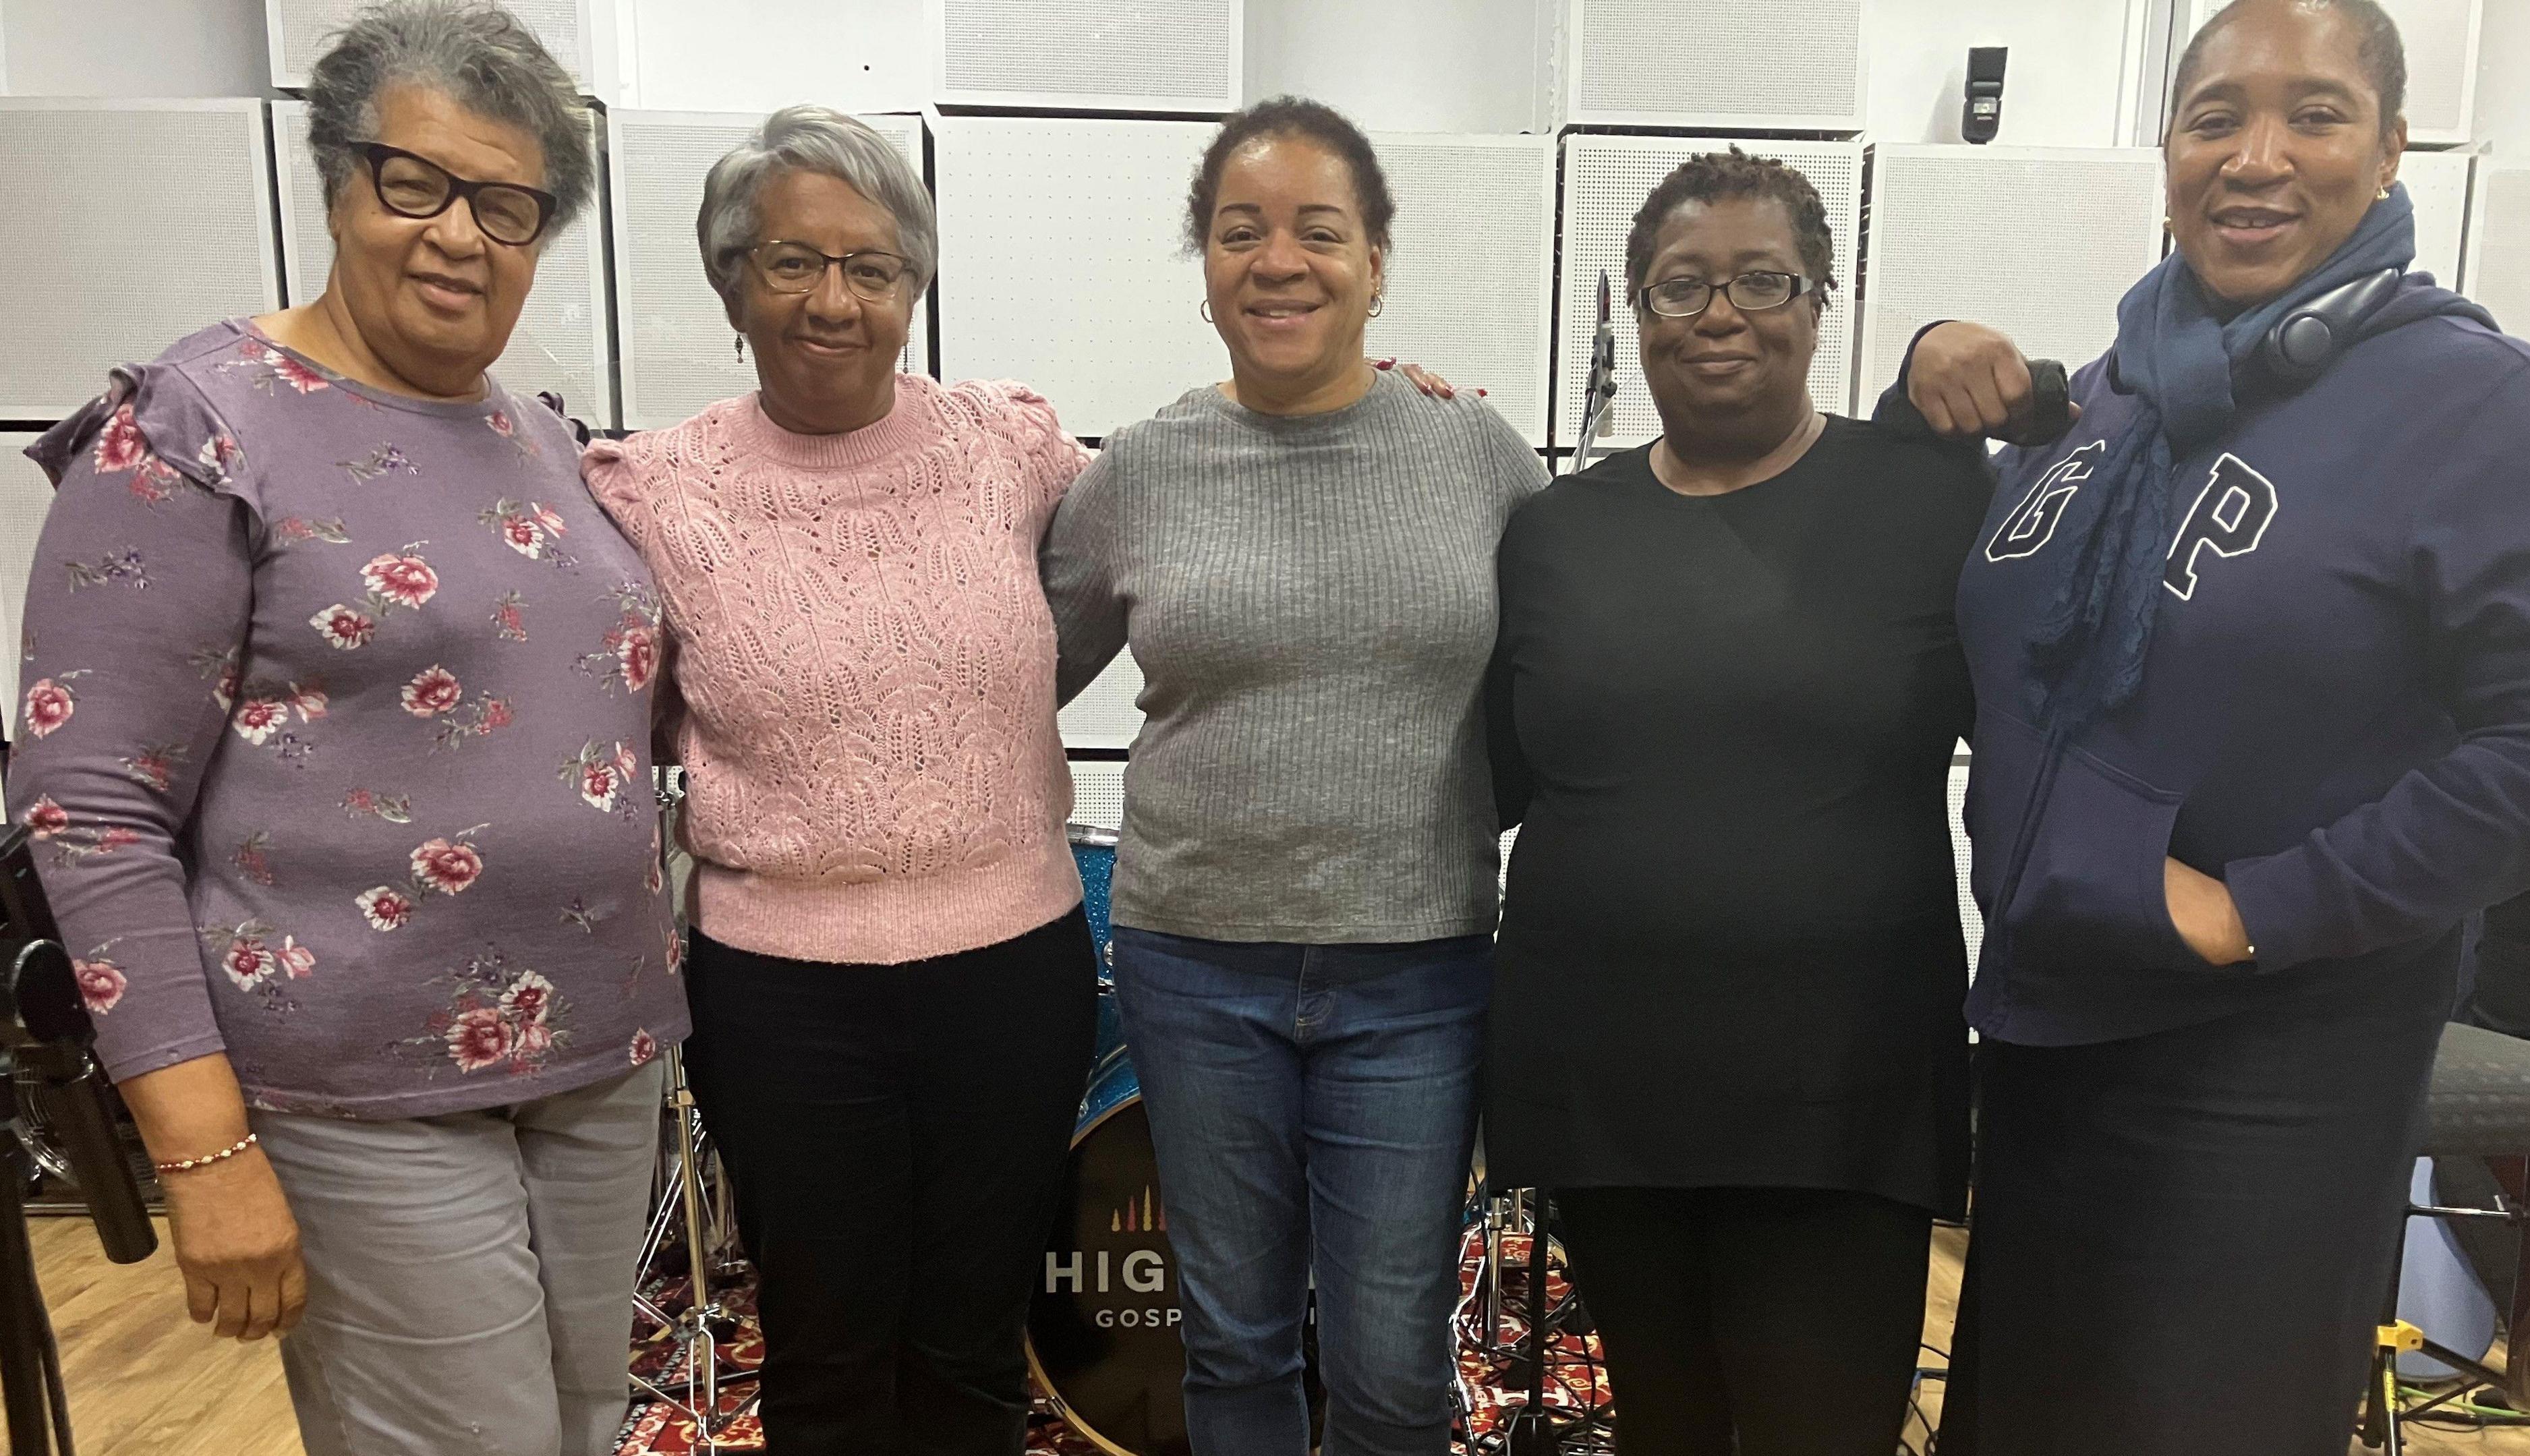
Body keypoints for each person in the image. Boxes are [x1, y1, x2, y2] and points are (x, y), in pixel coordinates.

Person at [1881, 2, 2530, 1450]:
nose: (2256, 156)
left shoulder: (2485, 408)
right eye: (2216, 117)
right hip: (2050, 1036)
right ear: (2168, 151)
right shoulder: (2118, 396)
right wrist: (1923, 379)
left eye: (2315, 114)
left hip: (2271, 1072)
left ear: (2390, 150)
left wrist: (2262, 907)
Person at [5, 4, 686, 1453]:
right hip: (357, 1087)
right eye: (414, 181)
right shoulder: (193, 434)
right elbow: (90, 815)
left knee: (579, 1424)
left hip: (598, 1060)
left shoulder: (545, 438)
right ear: (335, 181)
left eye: (506, 205)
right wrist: (204, 1152)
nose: (459, 236)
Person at [579, 106, 1096, 1455]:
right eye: (792, 261)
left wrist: (1373, 394)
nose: (833, 299)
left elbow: (1182, 519)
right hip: (781, 996)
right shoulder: (651, 490)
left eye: (872, 267)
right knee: (825, 1354)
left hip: (1012, 974)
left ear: (914, 287)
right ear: (729, 281)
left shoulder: (1011, 448)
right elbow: (619, 714)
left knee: (975, 1344)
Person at [1042, 96, 1545, 1456]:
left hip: (1417, 973)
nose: (1279, 262)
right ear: (1204, 263)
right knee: (1234, 1342)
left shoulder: (1477, 454)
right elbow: (1013, 674)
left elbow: (1570, 673)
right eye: (1239, 231)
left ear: (1375, 261)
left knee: (1392, 1359)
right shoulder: (1141, 469)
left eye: (1319, 232)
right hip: (1197, 968)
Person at [1483, 148, 1992, 1456]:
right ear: (1636, 313)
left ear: (1821, 302)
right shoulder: (1554, 532)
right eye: (1680, 286)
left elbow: (2036, 739)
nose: (1719, 315)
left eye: (1762, 280)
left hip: (1842, 1089)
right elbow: (1496, 777)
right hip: (1607, 1084)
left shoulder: (1930, 498)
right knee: (1668, 1431)